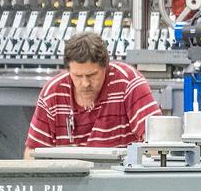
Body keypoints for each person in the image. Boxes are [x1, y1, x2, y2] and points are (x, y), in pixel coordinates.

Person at [25, 32, 161, 155]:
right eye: (78, 76)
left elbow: (157, 142)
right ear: (68, 70)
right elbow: (32, 152)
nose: (85, 83)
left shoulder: (128, 82)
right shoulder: (52, 93)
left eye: (92, 75)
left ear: (106, 66)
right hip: (71, 178)